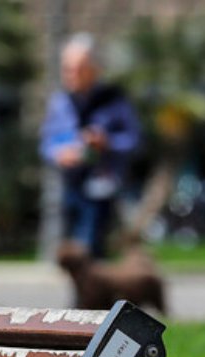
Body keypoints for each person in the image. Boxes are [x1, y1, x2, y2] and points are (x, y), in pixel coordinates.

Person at [40, 33, 141, 259]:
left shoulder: (114, 99)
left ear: (93, 69)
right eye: (67, 68)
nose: (71, 75)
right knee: (71, 256)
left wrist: (107, 143)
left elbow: (134, 140)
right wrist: (59, 154)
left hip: (102, 187)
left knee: (92, 253)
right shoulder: (60, 103)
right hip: (70, 187)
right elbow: (46, 143)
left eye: (78, 68)